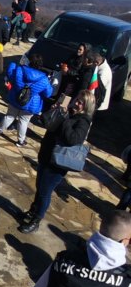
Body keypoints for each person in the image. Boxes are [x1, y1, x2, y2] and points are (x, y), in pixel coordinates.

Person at [18, 91, 96, 234]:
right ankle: (33, 210)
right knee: (39, 186)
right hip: (46, 154)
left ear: (87, 106)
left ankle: (36, 220)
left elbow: (73, 139)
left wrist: (65, 119)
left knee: (45, 192)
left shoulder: (83, 121)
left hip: (58, 162)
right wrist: (54, 110)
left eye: (81, 103)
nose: (76, 103)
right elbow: (45, 122)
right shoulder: (68, 111)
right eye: (77, 99)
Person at [0, 54, 53, 146]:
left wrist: (12, 64)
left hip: (15, 98)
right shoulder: (44, 79)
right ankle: (20, 141)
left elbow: (10, 74)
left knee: (9, 116)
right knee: (23, 121)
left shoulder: (19, 70)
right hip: (31, 104)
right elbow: (48, 94)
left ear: (29, 61)